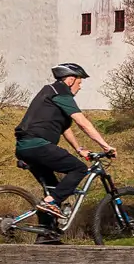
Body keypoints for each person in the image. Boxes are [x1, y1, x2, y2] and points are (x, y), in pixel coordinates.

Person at [14, 63, 114, 244]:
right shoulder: (61, 92)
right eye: (79, 82)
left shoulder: (51, 93)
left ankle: (47, 236)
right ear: (69, 80)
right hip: (37, 144)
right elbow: (83, 123)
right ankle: (50, 203)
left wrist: (79, 149)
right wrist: (105, 145)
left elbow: (65, 129)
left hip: (27, 147)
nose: (80, 86)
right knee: (79, 169)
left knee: (53, 189)